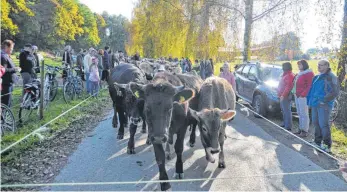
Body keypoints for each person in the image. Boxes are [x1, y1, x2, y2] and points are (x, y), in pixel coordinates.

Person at [307, 60, 339, 153]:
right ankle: (317, 142)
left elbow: (335, 92)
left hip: (324, 105)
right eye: (318, 65)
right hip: (315, 104)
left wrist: (323, 100)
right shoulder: (317, 76)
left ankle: (326, 145)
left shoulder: (332, 77)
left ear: (327, 66)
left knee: (324, 125)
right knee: (316, 123)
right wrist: (310, 102)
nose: (319, 67)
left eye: (321, 65)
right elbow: (312, 90)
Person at [292, 60, 314, 137]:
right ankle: (300, 129)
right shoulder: (300, 73)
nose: (298, 66)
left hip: (303, 96)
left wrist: (303, 94)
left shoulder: (309, 73)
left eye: (300, 64)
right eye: (298, 65)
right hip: (297, 95)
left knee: (304, 114)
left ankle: (304, 131)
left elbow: (310, 85)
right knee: (299, 113)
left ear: (304, 65)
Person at [277, 62, 295, 131]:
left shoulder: (289, 75)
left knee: (287, 111)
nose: (282, 68)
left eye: (283, 66)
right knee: (284, 110)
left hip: (285, 96)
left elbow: (288, 86)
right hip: (282, 95)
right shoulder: (286, 74)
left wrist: (283, 95)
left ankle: (288, 126)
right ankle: (285, 123)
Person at [1, 40, 17, 107]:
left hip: (9, 82)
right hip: (6, 83)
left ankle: (6, 116)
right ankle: (3, 117)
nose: (12, 50)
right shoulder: (3, 56)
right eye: (11, 48)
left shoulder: (6, 55)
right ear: (6, 47)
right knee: (6, 103)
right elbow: (3, 70)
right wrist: (15, 69)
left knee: (9, 102)